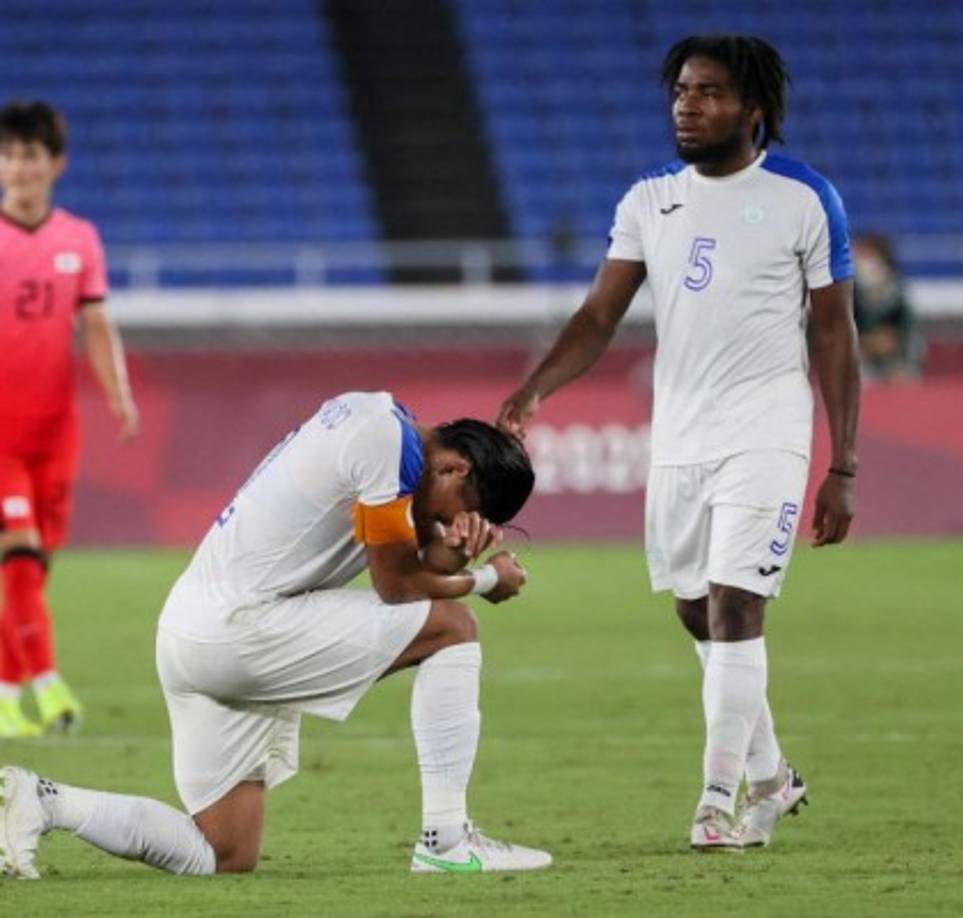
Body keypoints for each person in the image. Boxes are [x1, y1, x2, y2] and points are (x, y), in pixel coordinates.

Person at [498, 35, 861, 851]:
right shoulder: (648, 201)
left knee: (737, 605)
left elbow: (835, 337)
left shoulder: (805, 199)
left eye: (709, 93)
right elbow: (598, 317)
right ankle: (772, 776)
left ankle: (715, 804)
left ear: (754, 109)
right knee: (697, 612)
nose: (687, 106)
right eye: (681, 92)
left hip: (765, 432)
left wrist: (841, 465)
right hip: (680, 438)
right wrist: (533, 390)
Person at [0, 392, 552, 877]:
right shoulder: (388, 445)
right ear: (455, 468)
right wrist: (483, 578)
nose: (458, 521)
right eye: (467, 511)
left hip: (192, 632)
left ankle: (44, 801)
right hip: (241, 630)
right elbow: (398, 586)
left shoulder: (382, 430)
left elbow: (415, 563)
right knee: (454, 627)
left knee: (222, 851)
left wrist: (451, 551)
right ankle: (447, 841)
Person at [0, 100, 139, 738]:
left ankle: (5, 695)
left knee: (32, 568)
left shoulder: (78, 238)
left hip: (55, 432)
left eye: (29, 155)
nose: (18, 168)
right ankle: (49, 685)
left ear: (55, 163)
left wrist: (119, 393)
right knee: (19, 556)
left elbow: (96, 323)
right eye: (8, 155)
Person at [851, 233, 923, 380]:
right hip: (862, 366)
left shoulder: (898, 296)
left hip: (897, 366)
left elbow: (910, 336)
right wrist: (868, 343)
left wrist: (897, 347)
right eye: (859, 258)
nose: (862, 263)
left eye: (867, 257)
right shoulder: (851, 296)